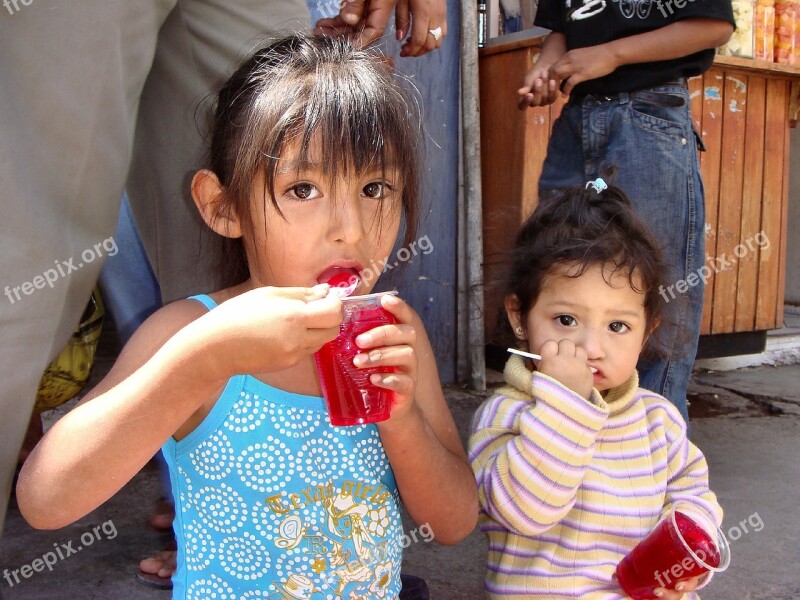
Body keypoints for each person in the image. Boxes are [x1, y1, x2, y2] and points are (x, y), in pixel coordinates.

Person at [16, 33, 477, 599]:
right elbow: (45, 499)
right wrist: (204, 360)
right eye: (304, 188)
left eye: (375, 187)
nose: (351, 229)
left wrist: (401, 420)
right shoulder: (191, 333)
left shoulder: (392, 336)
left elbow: (453, 523)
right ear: (223, 206)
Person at [468, 181, 725, 599]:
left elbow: (693, 499)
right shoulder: (506, 415)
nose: (591, 348)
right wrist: (565, 404)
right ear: (520, 316)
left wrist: (687, 559)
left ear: (646, 333)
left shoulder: (657, 420)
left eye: (618, 326)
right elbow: (525, 511)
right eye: (566, 320)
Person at [517, 0, 734, 422]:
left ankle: (655, 451)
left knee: (658, 285)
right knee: (554, 271)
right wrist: (545, 67)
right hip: (576, 119)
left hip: (647, 116)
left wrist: (611, 54)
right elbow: (563, 29)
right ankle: (561, 434)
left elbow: (712, 26)